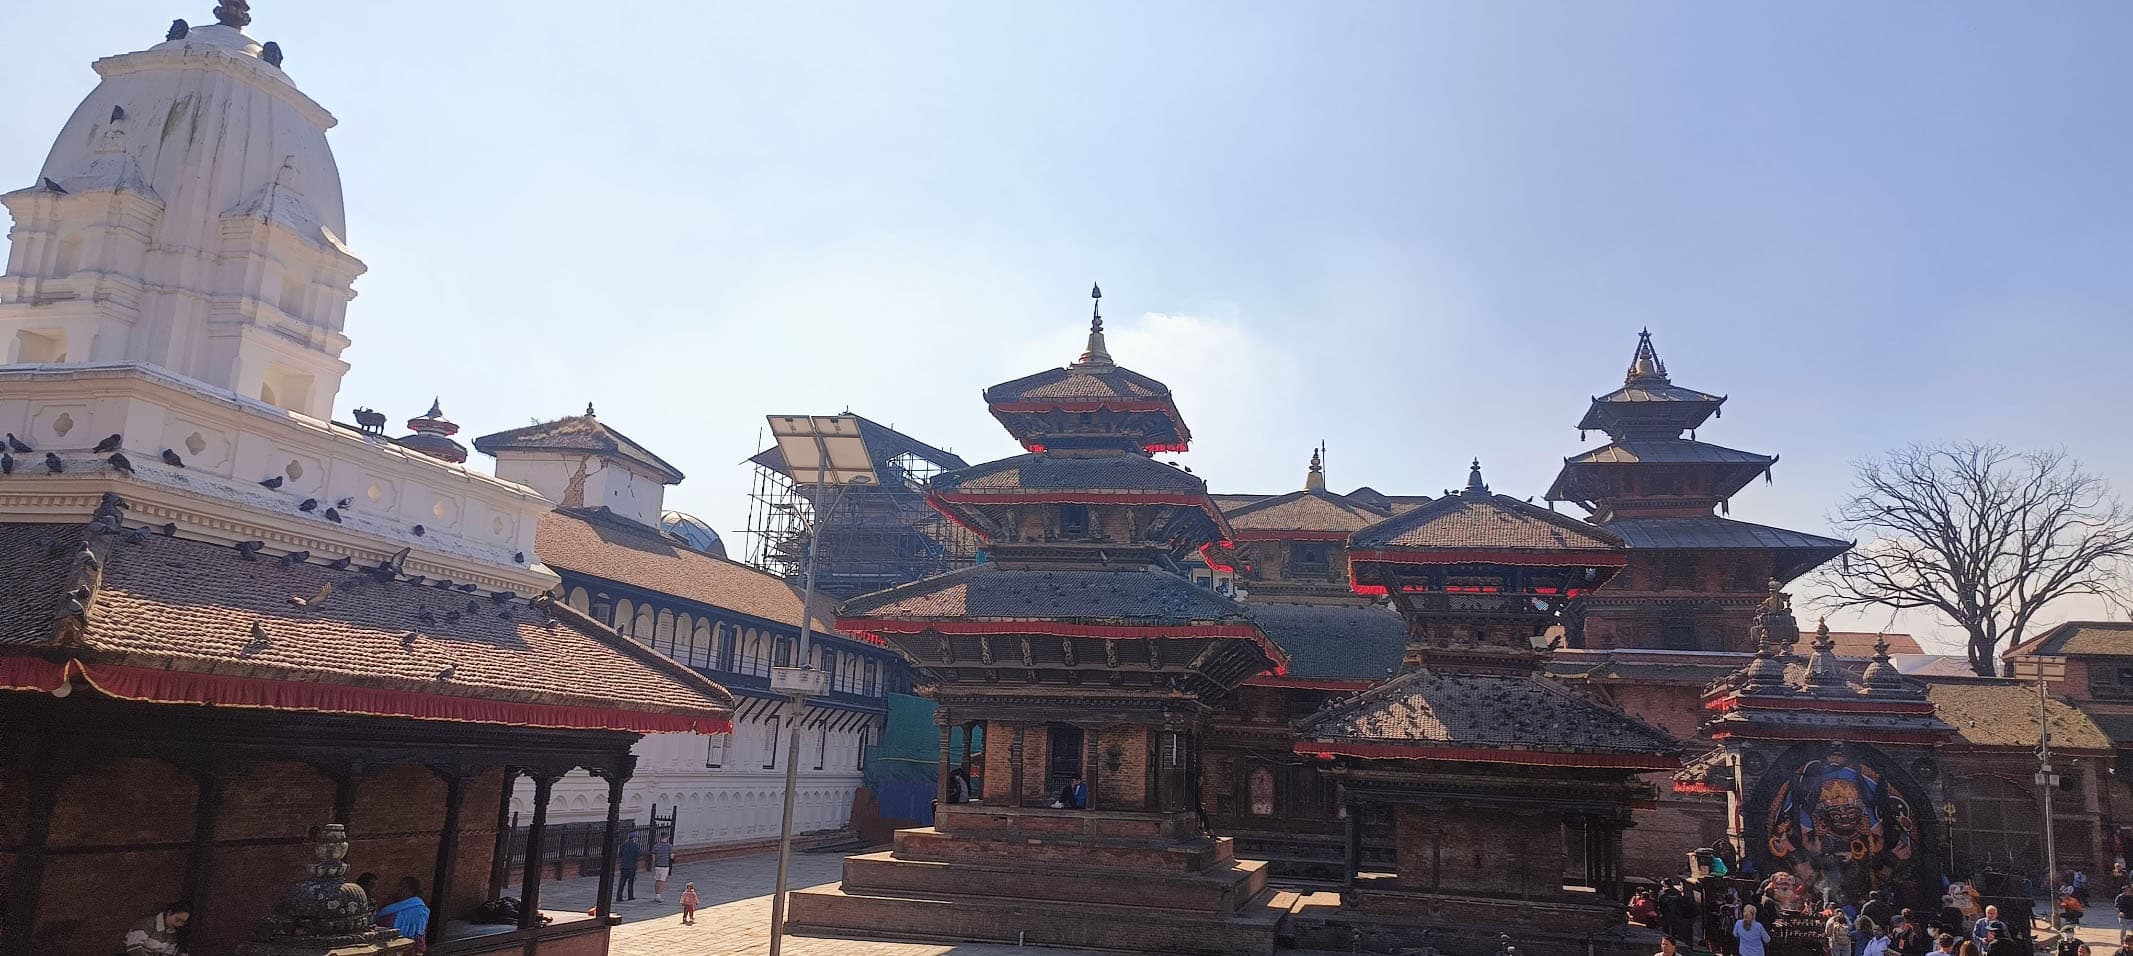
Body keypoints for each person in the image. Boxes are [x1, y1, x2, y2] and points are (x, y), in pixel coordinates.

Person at [374, 878, 430, 954]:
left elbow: (419, 934)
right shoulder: (392, 904)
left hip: (409, 949)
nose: (399, 889)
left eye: (403, 887)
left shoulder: (420, 910)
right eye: (399, 885)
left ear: (411, 891)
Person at [123, 901, 190, 956]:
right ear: (169, 913)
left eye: (183, 922)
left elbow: (168, 953)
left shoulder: (173, 934)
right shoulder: (148, 923)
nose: (179, 924)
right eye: (177, 919)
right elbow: (134, 949)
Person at [616, 832, 642, 902]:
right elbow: (638, 854)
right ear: (634, 838)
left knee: (622, 881)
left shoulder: (623, 845)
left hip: (624, 865)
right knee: (630, 882)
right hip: (632, 866)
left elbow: (620, 854)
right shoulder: (635, 845)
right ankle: (630, 896)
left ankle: (619, 896)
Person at [650, 831, 675, 903]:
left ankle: (657, 894)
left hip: (657, 865)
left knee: (657, 880)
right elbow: (671, 856)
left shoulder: (656, 846)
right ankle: (659, 895)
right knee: (662, 881)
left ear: (661, 837)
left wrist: (656, 863)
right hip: (665, 865)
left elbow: (653, 857)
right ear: (667, 837)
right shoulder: (669, 846)